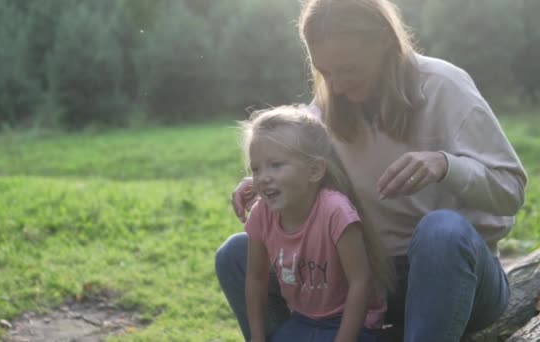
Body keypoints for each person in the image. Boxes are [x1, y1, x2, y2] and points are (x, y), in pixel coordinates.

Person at [215, 0, 528, 341]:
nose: (335, 84)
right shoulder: (326, 109)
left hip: (455, 276)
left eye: (348, 69)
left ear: (384, 41)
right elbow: (298, 158)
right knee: (236, 254)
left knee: (442, 230)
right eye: (326, 72)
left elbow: (511, 192)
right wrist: (271, 180)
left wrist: (446, 165)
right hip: (368, 279)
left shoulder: (445, 86)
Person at [240, 106, 393, 342]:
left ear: (314, 171)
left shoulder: (335, 210)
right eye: (256, 168)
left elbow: (360, 282)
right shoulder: (262, 213)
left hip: (353, 324)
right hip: (303, 320)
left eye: (276, 165)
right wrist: (257, 338)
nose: (262, 177)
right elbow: (256, 278)